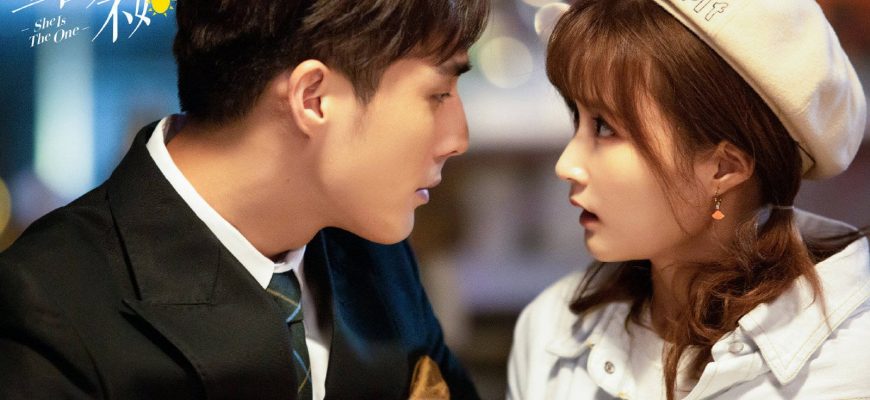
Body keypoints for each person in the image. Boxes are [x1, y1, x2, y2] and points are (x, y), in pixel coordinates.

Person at [0, 1, 489, 399]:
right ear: (313, 98)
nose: (459, 139)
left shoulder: (378, 262)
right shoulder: (47, 304)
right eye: (438, 94)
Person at [509, 0, 868, 399]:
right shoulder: (549, 330)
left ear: (723, 169)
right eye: (577, 118)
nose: (567, 165)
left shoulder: (850, 368)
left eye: (606, 127)